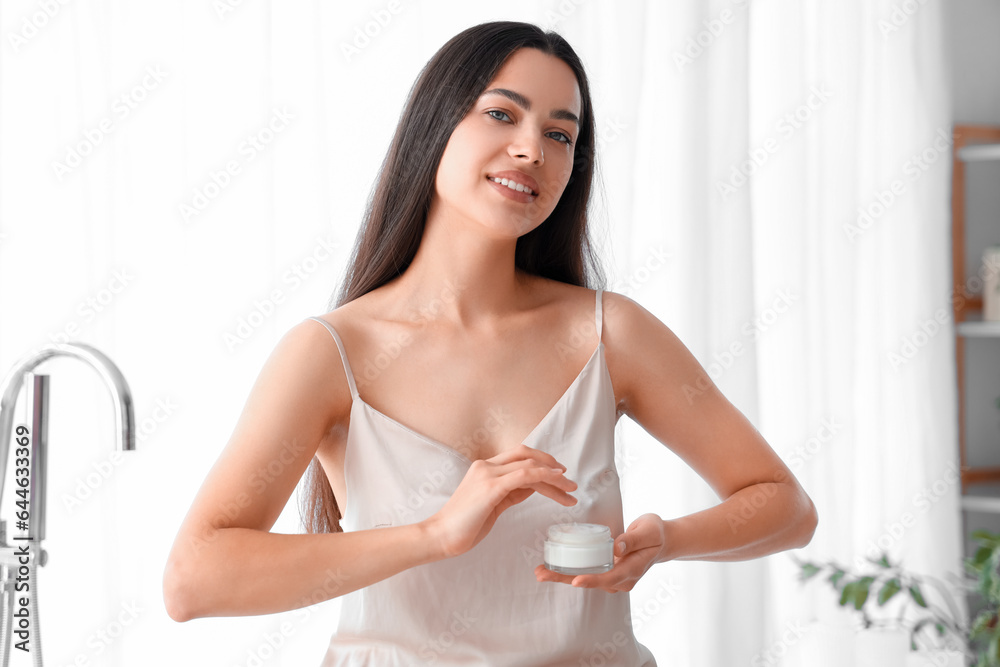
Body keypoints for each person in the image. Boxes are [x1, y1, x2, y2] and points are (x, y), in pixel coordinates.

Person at [162, 20, 818, 666]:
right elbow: (195, 578)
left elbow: (785, 506)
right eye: (503, 114)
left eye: (560, 133)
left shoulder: (609, 333)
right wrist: (434, 534)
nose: (533, 149)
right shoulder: (333, 353)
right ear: (435, 125)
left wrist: (668, 539)